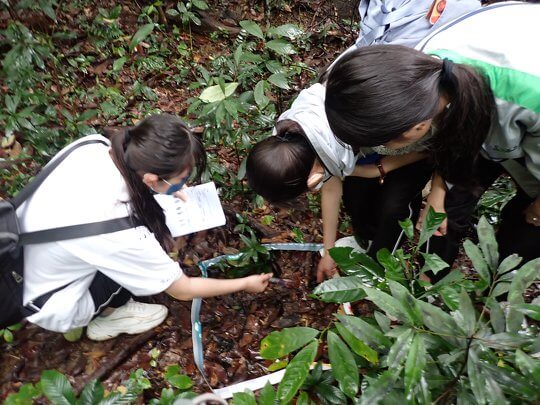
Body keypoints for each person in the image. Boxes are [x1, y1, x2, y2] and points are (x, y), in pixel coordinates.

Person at [17, 113, 272, 339]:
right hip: (49, 301)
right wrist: (245, 283)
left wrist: (170, 187)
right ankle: (108, 315)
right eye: (180, 179)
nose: (183, 184)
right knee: (141, 260)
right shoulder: (117, 230)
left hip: (25, 251)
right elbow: (182, 289)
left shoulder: (93, 146)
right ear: (151, 178)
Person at [325, 2, 540, 268]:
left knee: (525, 235)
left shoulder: (524, 96)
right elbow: (454, 138)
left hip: (523, 112)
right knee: (446, 210)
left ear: (415, 128)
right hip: (497, 128)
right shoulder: (424, 69)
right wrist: (438, 191)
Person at [247, 83, 428, 282]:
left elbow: (429, 147)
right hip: (371, 149)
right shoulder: (296, 137)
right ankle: (367, 240)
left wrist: (378, 169)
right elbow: (332, 188)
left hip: (416, 139)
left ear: (313, 176)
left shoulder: (373, 118)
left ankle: (380, 268)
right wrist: (329, 250)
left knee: (394, 207)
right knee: (356, 196)